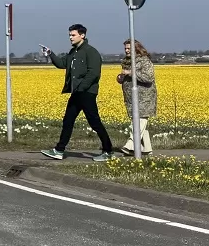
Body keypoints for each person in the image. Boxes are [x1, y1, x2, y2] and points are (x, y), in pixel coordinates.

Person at [40, 24, 113, 161]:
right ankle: (59, 150)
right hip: (76, 93)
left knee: (94, 122)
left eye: (73, 35)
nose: (70, 38)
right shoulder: (73, 52)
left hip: (87, 93)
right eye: (69, 35)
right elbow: (62, 64)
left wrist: (81, 87)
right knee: (68, 120)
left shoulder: (91, 52)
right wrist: (51, 54)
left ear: (82, 35)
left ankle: (108, 151)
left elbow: (94, 73)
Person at [117, 39, 157, 156]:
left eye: (129, 48)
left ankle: (130, 145)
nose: (126, 51)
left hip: (145, 97)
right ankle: (146, 148)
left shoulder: (144, 61)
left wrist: (131, 73)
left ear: (137, 49)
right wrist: (122, 77)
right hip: (131, 97)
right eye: (125, 48)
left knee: (140, 120)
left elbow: (149, 77)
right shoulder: (127, 61)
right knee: (138, 121)